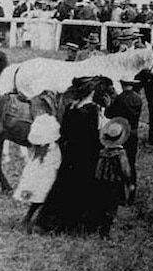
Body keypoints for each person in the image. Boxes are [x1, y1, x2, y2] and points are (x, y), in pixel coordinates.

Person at [34, 78, 105, 234]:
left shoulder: (71, 107)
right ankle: (74, 225)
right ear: (92, 92)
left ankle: (50, 223)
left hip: (69, 152)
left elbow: (64, 133)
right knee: (82, 187)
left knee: (63, 185)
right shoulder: (92, 110)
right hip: (86, 154)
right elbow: (94, 136)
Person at [106, 78, 143, 189]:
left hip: (121, 133)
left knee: (120, 161)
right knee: (131, 161)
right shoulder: (138, 99)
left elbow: (110, 114)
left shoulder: (119, 99)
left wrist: (108, 105)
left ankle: (122, 187)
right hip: (133, 132)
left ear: (122, 85)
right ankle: (132, 185)